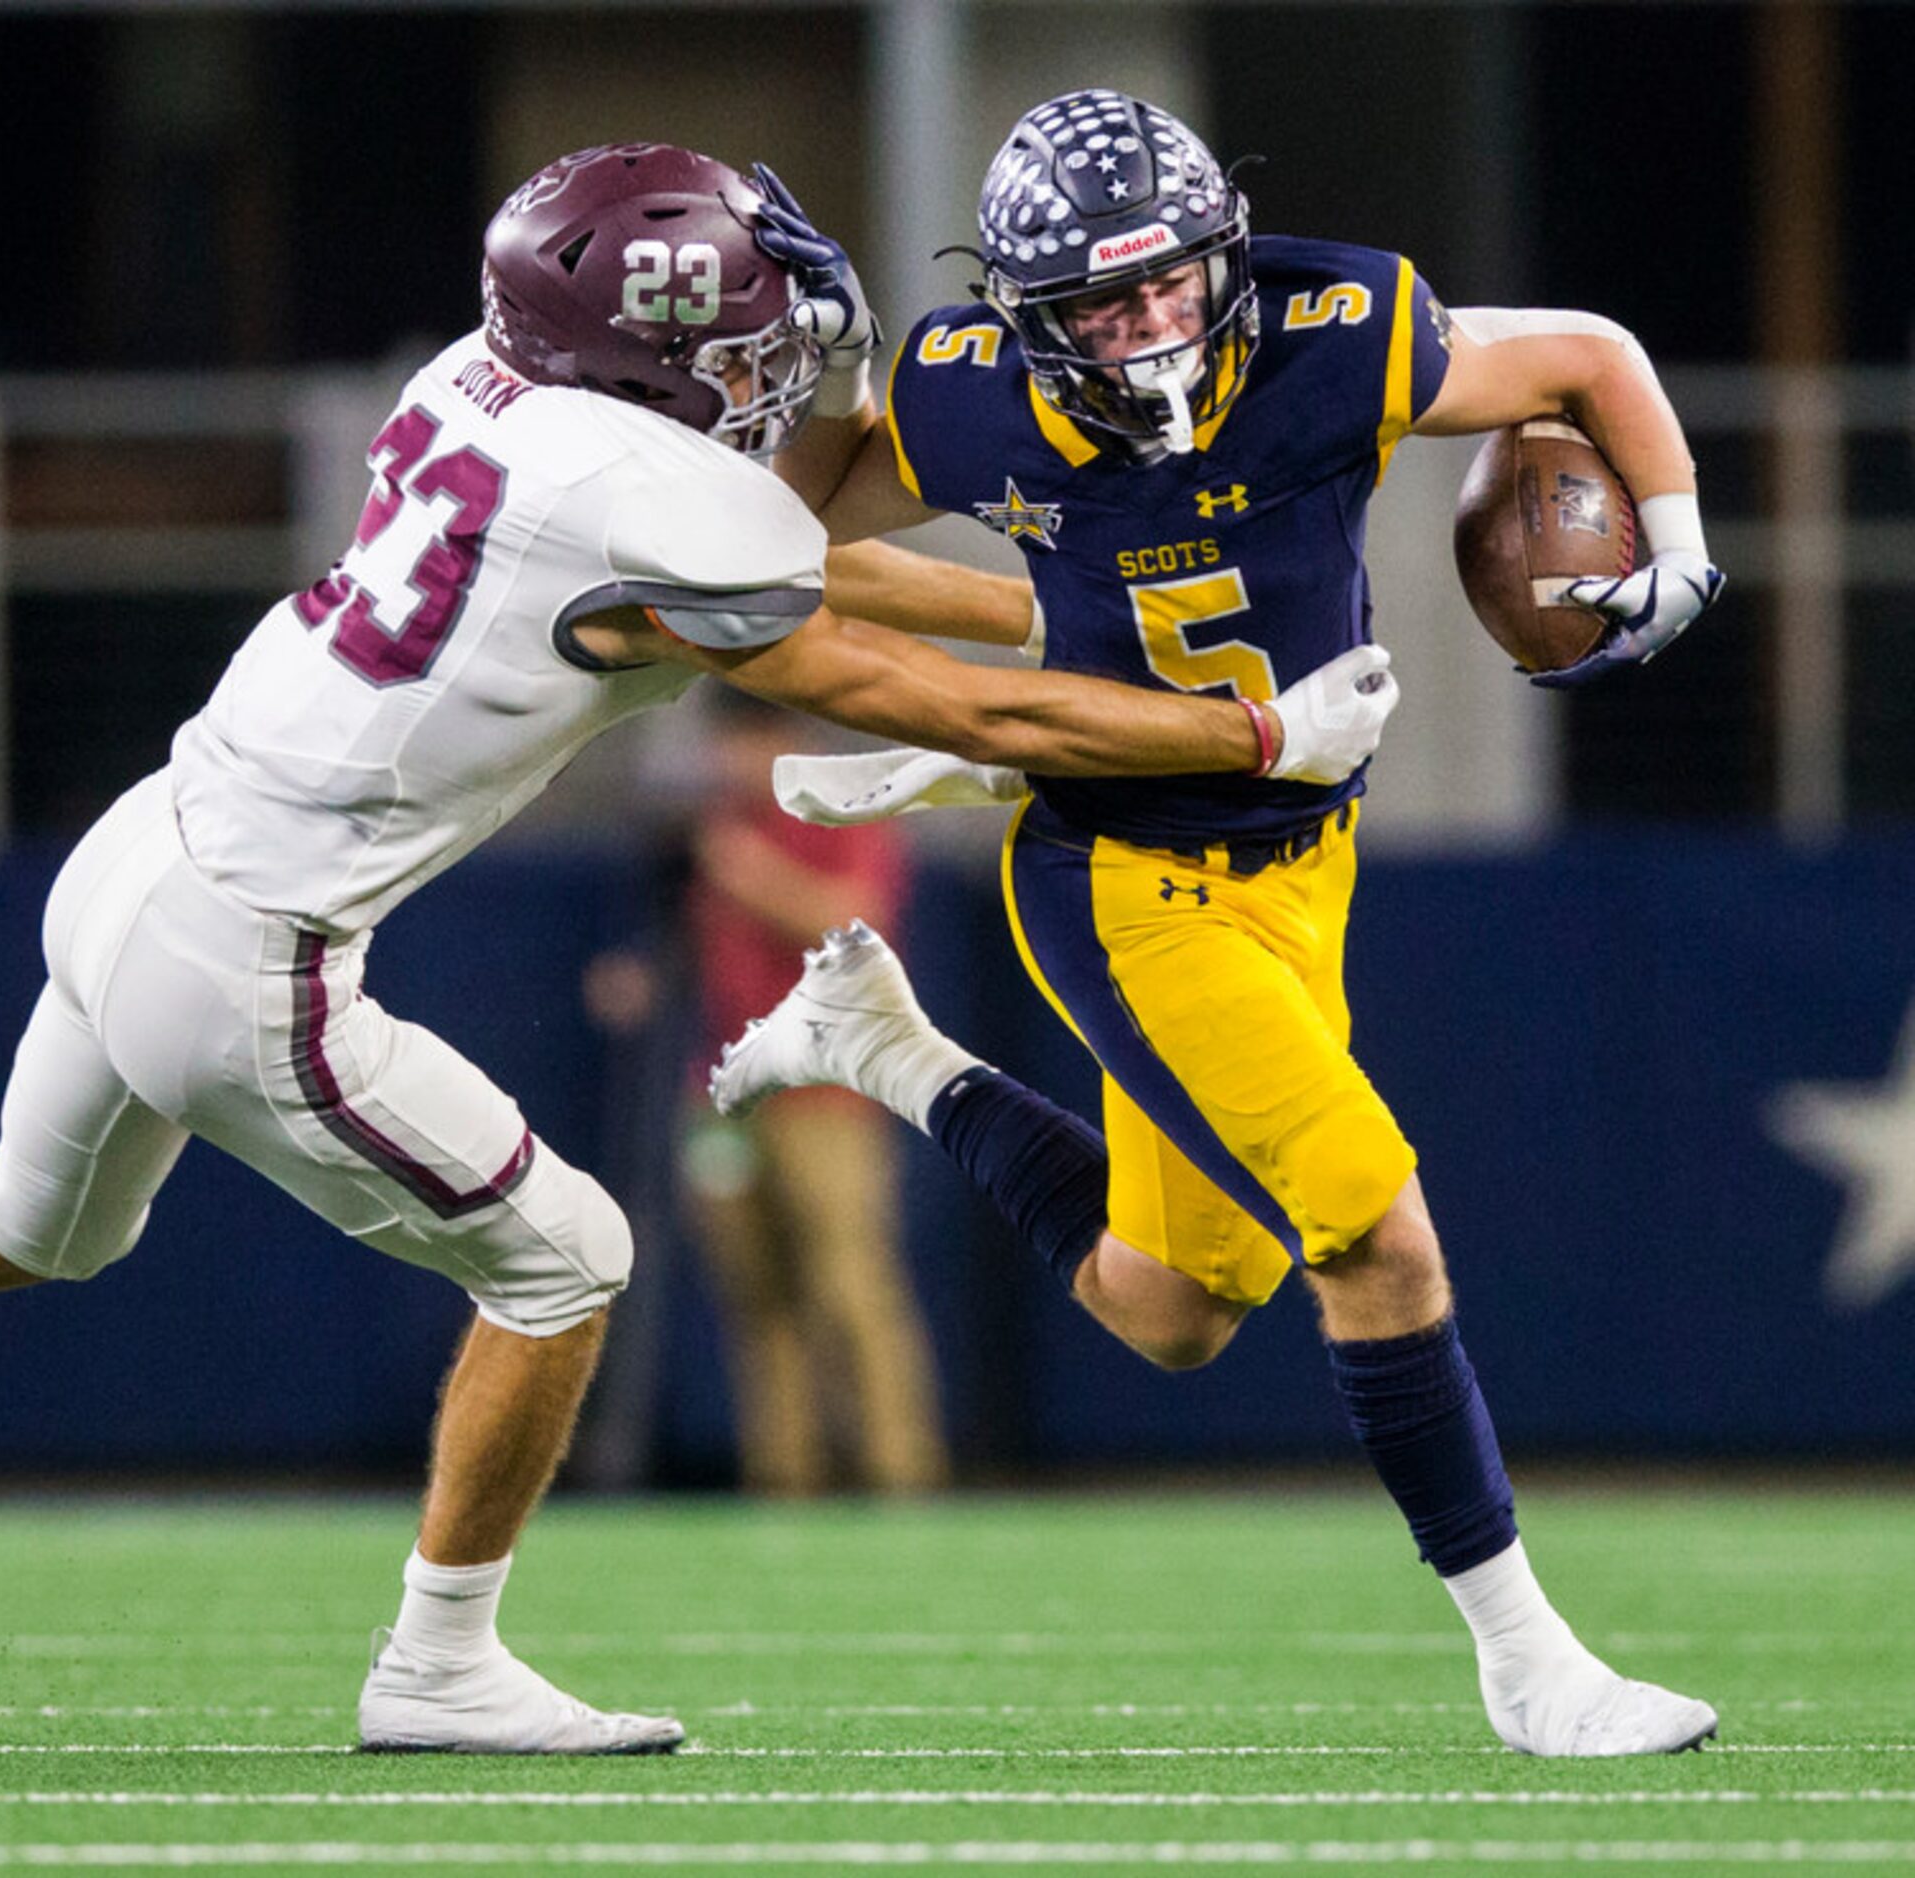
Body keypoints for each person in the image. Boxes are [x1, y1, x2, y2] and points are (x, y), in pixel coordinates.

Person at [0, 141, 1400, 1756]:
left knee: (25, 1226)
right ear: (646, 356)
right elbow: (902, 684)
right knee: (571, 1256)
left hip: (143, 851)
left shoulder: (477, 382)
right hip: (253, 947)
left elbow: (825, 583)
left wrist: (1050, 611)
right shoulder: (644, 499)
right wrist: (1243, 730)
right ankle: (438, 1662)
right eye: (734, 327)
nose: (773, 352)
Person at [712, 90, 1726, 1758]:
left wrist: (1674, 538)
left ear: (1225, 257)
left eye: (1168, 285)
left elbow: (1587, 357)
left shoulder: (1338, 332)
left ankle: (886, 1051)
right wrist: (812, 414)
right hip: (1128, 880)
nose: (1142, 329)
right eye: (1098, 308)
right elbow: (772, 535)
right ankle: (1528, 1663)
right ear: (1024, 314)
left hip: (1298, 853)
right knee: (1375, 1235)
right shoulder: (969, 401)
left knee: (1171, 1307)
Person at [682, 687, 945, 1495]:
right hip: (725, 1095)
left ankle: (899, 1475)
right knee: (754, 1294)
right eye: (724, 742)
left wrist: (752, 877)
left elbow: (854, 921)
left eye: (749, 738)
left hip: (826, 1092)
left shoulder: (839, 813)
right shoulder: (719, 824)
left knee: (848, 1284)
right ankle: (784, 1479)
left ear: (787, 735)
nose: (733, 759)